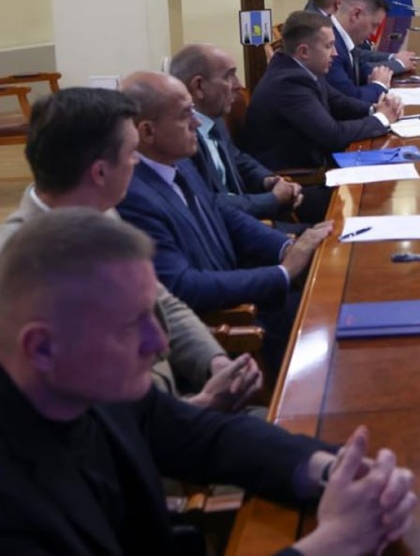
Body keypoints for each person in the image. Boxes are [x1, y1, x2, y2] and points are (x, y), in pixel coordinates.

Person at [0, 208, 416, 556]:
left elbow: (206, 437)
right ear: (42, 348)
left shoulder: (89, 383)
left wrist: (332, 470)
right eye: (129, 326)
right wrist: (332, 544)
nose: (158, 342)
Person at [0, 86, 262, 413]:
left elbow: (161, 300)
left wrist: (214, 361)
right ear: (100, 172)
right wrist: (200, 405)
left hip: (177, 404)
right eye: (131, 153)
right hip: (150, 428)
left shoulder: (99, 211)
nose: (136, 162)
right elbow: (88, 409)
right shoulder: (23, 266)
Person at [116, 71, 333, 369]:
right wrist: (282, 272)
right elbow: (184, 286)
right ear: (148, 132)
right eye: (185, 115)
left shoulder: (179, 162)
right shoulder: (132, 196)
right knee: (330, 322)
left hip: (245, 288)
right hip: (226, 325)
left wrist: (285, 247)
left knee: (337, 291)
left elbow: (223, 214)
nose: (196, 123)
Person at [243, 11, 404, 174]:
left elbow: (339, 102)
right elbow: (333, 135)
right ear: (304, 52)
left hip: (318, 160)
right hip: (297, 177)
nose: (335, 53)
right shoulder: (288, 83)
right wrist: (381, 119)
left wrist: (374, 109)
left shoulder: (303, 68)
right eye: (329, 46)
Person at [170, 43, 304, 223]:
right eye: (229, 76)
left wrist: (267, 180)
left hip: (250, 221)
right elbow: (210, 202)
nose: (239, 85)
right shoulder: (179, 139)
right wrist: (272, 199)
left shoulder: (215, 118)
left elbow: (238, 159)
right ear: (199, 86)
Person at [328, 0, 415, 103]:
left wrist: (385, 73)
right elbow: (350, 99)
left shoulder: (341, 37)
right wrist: (379, 86)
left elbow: (364, 70)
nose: (374, 33)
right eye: (374, 25)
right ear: (356, 14)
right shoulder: (329, 45)